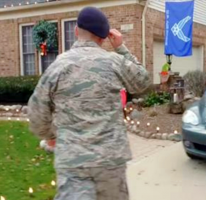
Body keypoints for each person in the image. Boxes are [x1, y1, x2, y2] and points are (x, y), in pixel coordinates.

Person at [28, 7, 151, 200]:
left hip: (73, 161)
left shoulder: (59, 65)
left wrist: (51, 135)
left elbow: (36, 112)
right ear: (104, 37)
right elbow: (142, 81)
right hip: (110, 161)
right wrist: (121, 47)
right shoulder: (114, 62)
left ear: (76, 31)